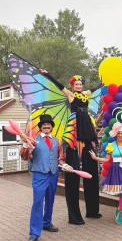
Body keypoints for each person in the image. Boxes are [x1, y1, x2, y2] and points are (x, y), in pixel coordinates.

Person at [40, 70, 102, 225]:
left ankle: (93, 211)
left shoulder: (86, 94)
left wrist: (105, 80)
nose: (79, 86)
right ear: (73, 85)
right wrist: (48, 74)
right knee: (73, 166)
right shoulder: (70, 95)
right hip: (74, 127)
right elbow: (58, 85)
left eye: (80, 84)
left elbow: (95, 88)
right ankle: (74, 216)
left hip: (86, 126)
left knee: (91, 164)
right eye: (76, 84)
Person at [20, 114, 73, 241]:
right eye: (44, 124)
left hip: (53, 174)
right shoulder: (34, 140)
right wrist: (26, 144)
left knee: (50, 200)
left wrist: (65, 165)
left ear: (51, 126)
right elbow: (25, 157)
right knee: (37, 203)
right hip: (39, 175)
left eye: (49, 124)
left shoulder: (57, 141)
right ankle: (34, 234)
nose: (46, 126)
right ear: (40, 127)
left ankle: (47, 223)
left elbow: (59, 159)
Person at [89, 122, 122, 224]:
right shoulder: (111, 145)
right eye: (119, 133)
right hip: (116, 169)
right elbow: (107, 159)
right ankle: (120, 212)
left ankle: (120, 210)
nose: (120, 135)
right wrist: (95, 158)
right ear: (115, 134)